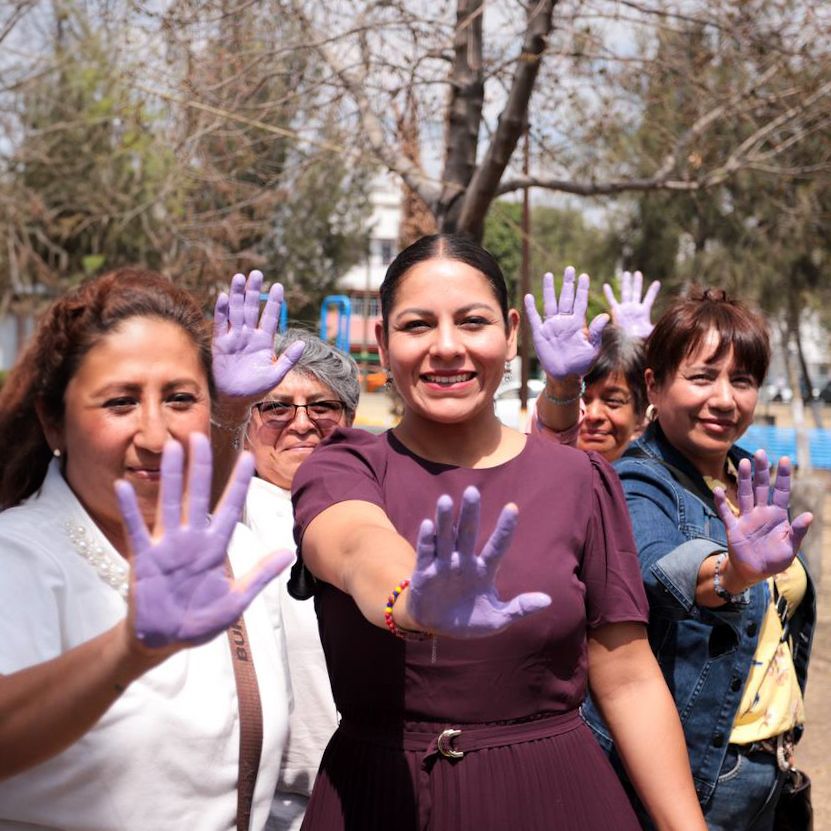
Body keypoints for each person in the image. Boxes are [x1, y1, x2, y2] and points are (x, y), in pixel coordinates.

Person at [265, 234, 706, 830]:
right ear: (382, 343)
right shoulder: (343, 464)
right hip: (380, 798)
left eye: (472, 322)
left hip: (558, 799)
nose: (447, 347)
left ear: (511, 332)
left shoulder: (580, 478)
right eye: (418, 325)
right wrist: (413, 600)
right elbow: (351, 544)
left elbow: (627, 678)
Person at [0, 268, 301, 831]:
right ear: (53, 421)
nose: (156, 435)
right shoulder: (18, 556)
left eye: (180, 398)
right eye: (120, 402)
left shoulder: (233, 548)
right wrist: (128, 651)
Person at [580, 289, 816, 830]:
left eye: (742, 380)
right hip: (697, 775)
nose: (725, 399)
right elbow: (659, 570)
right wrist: (732, 573)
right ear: (654, 385)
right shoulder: (635, 480)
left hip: (771, 773)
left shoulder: (748, 479)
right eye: (703, 376)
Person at [240, 329, 359, 830]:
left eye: (322, 407)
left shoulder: (377, 500)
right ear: (246, 424)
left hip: (369, 791)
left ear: (349, 421)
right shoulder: (225, 507)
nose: (302, 424)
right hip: (270, 807)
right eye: (277, 408)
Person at [525, 267, 650, 462]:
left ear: (641, 416)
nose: (592, 415)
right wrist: (564, 385)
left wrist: (641, 345)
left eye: (613, 401)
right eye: (582, 398)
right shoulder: (547, 468)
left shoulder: (655, 484)